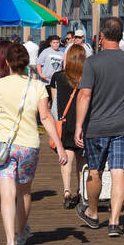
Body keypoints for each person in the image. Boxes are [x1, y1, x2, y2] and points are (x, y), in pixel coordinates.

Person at [0, 43, 65, 245]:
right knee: (24, 192)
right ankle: (21, 232)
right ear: (27, 64)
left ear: (6, 62)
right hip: (28, 146)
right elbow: (45, 117)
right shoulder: (37, 86)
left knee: (7, 194)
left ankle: (10, 242)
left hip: (3, 146)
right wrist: (60, 147)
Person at [73, 16, 124, 236]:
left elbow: (85, 95)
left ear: (101, 36)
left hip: (97, 125)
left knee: (95, 171)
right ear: (121, 36)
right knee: (119, 172)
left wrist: (79, 125)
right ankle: (114, 221)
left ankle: (92, 212)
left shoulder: (92, 62)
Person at [50, 44, 87, 206]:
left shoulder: (58, 77)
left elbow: (54, 103)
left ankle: (66, 191)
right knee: (82, 158)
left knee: (66, 157)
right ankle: (81, 190)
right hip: (82, 121)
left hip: (64, 122)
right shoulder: (87, 78)